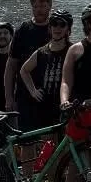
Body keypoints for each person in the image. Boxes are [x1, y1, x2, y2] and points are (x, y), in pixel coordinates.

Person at [5, 0, 54, 149]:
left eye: (43, 6)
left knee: (49, 140)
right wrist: (9, 98)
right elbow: (11, 66)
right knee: (27, 141)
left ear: (50, 6)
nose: (39, 10)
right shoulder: (23, 30)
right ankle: (28, 174)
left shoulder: (56, 29)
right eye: (36, 7)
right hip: (25, 94)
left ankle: (49, 174)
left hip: (49, 93)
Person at [20, 8, 74, 138]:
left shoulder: (73, 51)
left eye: (62, 25)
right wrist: (33, 91)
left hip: (66, 105)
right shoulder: (41, 52)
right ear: (50, 27)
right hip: (44, 106)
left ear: (68, 29)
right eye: (54, 24)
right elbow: (24, 70)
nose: (57, 28)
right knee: (46, 144)